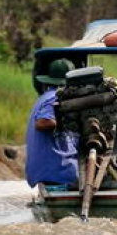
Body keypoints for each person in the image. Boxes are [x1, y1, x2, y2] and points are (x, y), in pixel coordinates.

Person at [25, 58, 78, 188]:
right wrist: (69, 122)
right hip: (56, 173)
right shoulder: (54, 98)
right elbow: (42, 123)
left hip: (43, 171)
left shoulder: (45, 97)